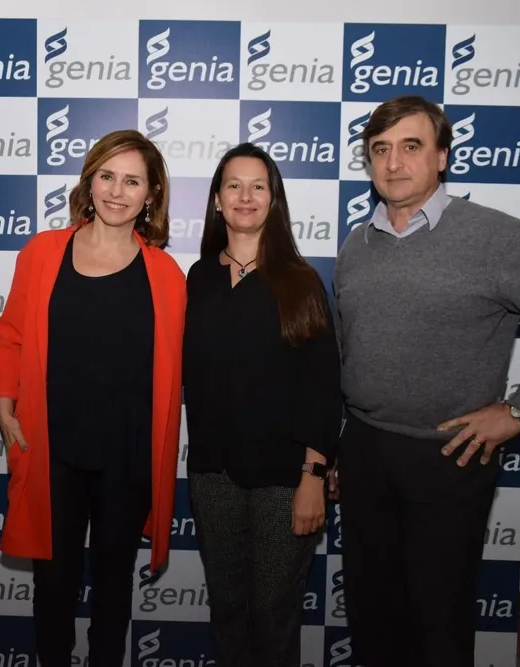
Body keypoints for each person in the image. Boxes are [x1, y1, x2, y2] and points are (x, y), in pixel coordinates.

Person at [332, 94, 520, 667]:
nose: (393, 163)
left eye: (411, 146)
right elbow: (347, 352)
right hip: (365, 450)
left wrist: (517, 411)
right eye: (380, 149)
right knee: (371, 611)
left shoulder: (493, 236)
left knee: (438, 617)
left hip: (449, 457)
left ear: (442, 157)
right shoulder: (357, 244)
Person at [0, 129, 186, 666]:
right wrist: (4, 402)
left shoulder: (166, 273)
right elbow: (11, 334)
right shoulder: (44, 251)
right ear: (89, 182)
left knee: (114, 592)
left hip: (128, 459)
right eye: (108, 176)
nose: (118, 191)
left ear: (152, 193)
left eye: (133, 180)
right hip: (55, 454)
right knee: (53, 589)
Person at [181, 143, 343, 667]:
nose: (245, 196)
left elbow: (324, 387)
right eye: (233, 185)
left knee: (274, 614)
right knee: (228, 610)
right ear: (216, 201)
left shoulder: (301, 281)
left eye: (258, 186)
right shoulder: (198, 279)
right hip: (213, 476)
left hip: (285, 479)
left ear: (274, 200)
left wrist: (314, 475)